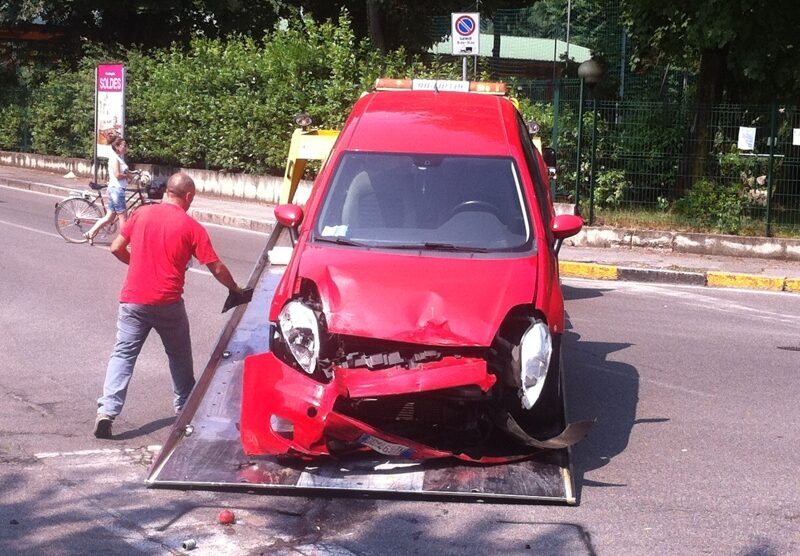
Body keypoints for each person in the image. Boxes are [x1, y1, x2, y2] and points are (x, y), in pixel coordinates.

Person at [93, 172, 244, 439]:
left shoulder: (141, 214)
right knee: (178, 355)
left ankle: (107, 411)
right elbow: (216, 267)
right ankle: (185, 409)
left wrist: (139, 265)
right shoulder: (191, 226)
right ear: (187, 196)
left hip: (133, 301)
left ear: (167, 192)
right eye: (192, 198)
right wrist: (236, 290)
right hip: (167, 303)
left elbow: (116, 247)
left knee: (123, 355)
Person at [84, 136, 136, 244]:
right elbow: (117, 175)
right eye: (124, 145)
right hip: (116, 190)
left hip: (116, 190)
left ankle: (90, 233)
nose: (126, 147)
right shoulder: (114, 158)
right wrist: (128, 176)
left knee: (109, 218)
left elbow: (123, 172)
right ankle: (124, 242)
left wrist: (132, 173)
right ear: (117, 147)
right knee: (123, 218)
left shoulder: (118, 157)